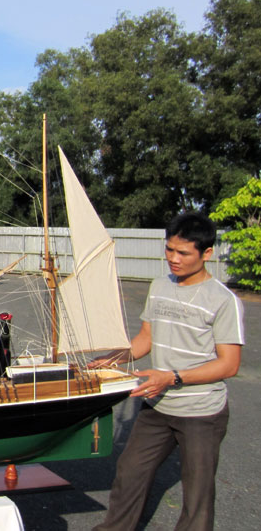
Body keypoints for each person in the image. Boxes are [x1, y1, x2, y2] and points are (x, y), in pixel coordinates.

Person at [89, 212, 244, 531]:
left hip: (202, 412)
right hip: (158, 406)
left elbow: (229, 364)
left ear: (207, 254)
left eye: (183, 253)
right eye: (169, 249)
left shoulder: (223, 301)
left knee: (197, 496)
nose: (173, 258)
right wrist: (114, 357)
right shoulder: (159, 286)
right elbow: (145, 340)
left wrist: (171, 377)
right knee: (130, 472)